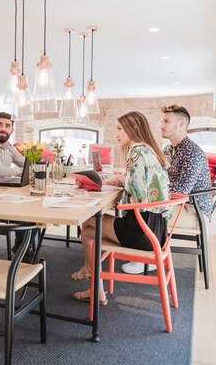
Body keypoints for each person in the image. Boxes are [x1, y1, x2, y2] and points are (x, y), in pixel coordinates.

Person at [71, 111, 171, 305]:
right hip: (157, 231)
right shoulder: (147, 150)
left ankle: (91, 277)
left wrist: (119, 181)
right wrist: (121, 180)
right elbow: (143, 183)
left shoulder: (136, 151)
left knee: (87, 223)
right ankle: (93, 281)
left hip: (141, 231)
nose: (116, 132)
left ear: (132, 129)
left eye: (119, 128)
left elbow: (139, 193)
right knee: (89, 232)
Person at [121, 104, 212, 274]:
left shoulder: (193, 152)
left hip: (192, 210)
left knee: (142, 207)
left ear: (181, 124)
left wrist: (144, 186)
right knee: (138, 203)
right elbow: (158, 179)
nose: (161, 125)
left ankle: (148, 255)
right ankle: (139, 248)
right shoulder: (168, 149)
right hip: (176, 203)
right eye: (162, 120)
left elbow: (181, 189)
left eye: (167, 121)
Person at [0, 112, 37, 262]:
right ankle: (23, 246)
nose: (3, 128)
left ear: (11, 130)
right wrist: (24, 172)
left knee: (35, 207)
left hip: (3, 191)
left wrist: (37, 164)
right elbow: (0, 172)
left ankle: (22, 245)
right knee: (28, 210)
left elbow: (25, 163)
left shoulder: (10, 147)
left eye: (7, 126)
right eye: (0, 125)